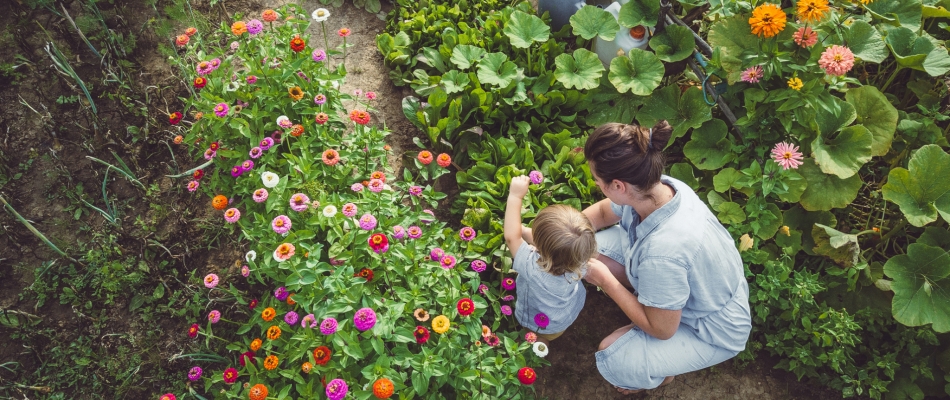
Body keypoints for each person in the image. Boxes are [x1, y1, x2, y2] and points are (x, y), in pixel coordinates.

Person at [580, 121, 752, 394]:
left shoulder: (663, 253)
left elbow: (661, 330)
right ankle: (654, 307)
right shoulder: (659, 187)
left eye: (598, 181)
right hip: (696, 287)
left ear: (618, 185)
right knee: (586, 247)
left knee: (614, 358)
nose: (597, 185)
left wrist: (604, 279)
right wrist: (565, 230)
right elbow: (602, 214)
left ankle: (661, 373)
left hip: (711, 328)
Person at [503, 175, 597, 342]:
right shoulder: (581, 260)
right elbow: (555, 249)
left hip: (538, 321)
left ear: (539, 247)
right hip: (563, 317)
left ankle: (536, 349)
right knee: (548, 334)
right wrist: (524, 232)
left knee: (535, 337)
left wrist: (515, 196)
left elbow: (511, 237)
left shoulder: (532, 268)